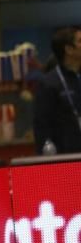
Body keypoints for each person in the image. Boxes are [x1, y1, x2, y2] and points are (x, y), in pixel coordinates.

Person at [33, 26, 81, 155]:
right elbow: (42, 125)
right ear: (69, 49)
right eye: (80, 41)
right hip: (67, 156)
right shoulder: (49, 83)